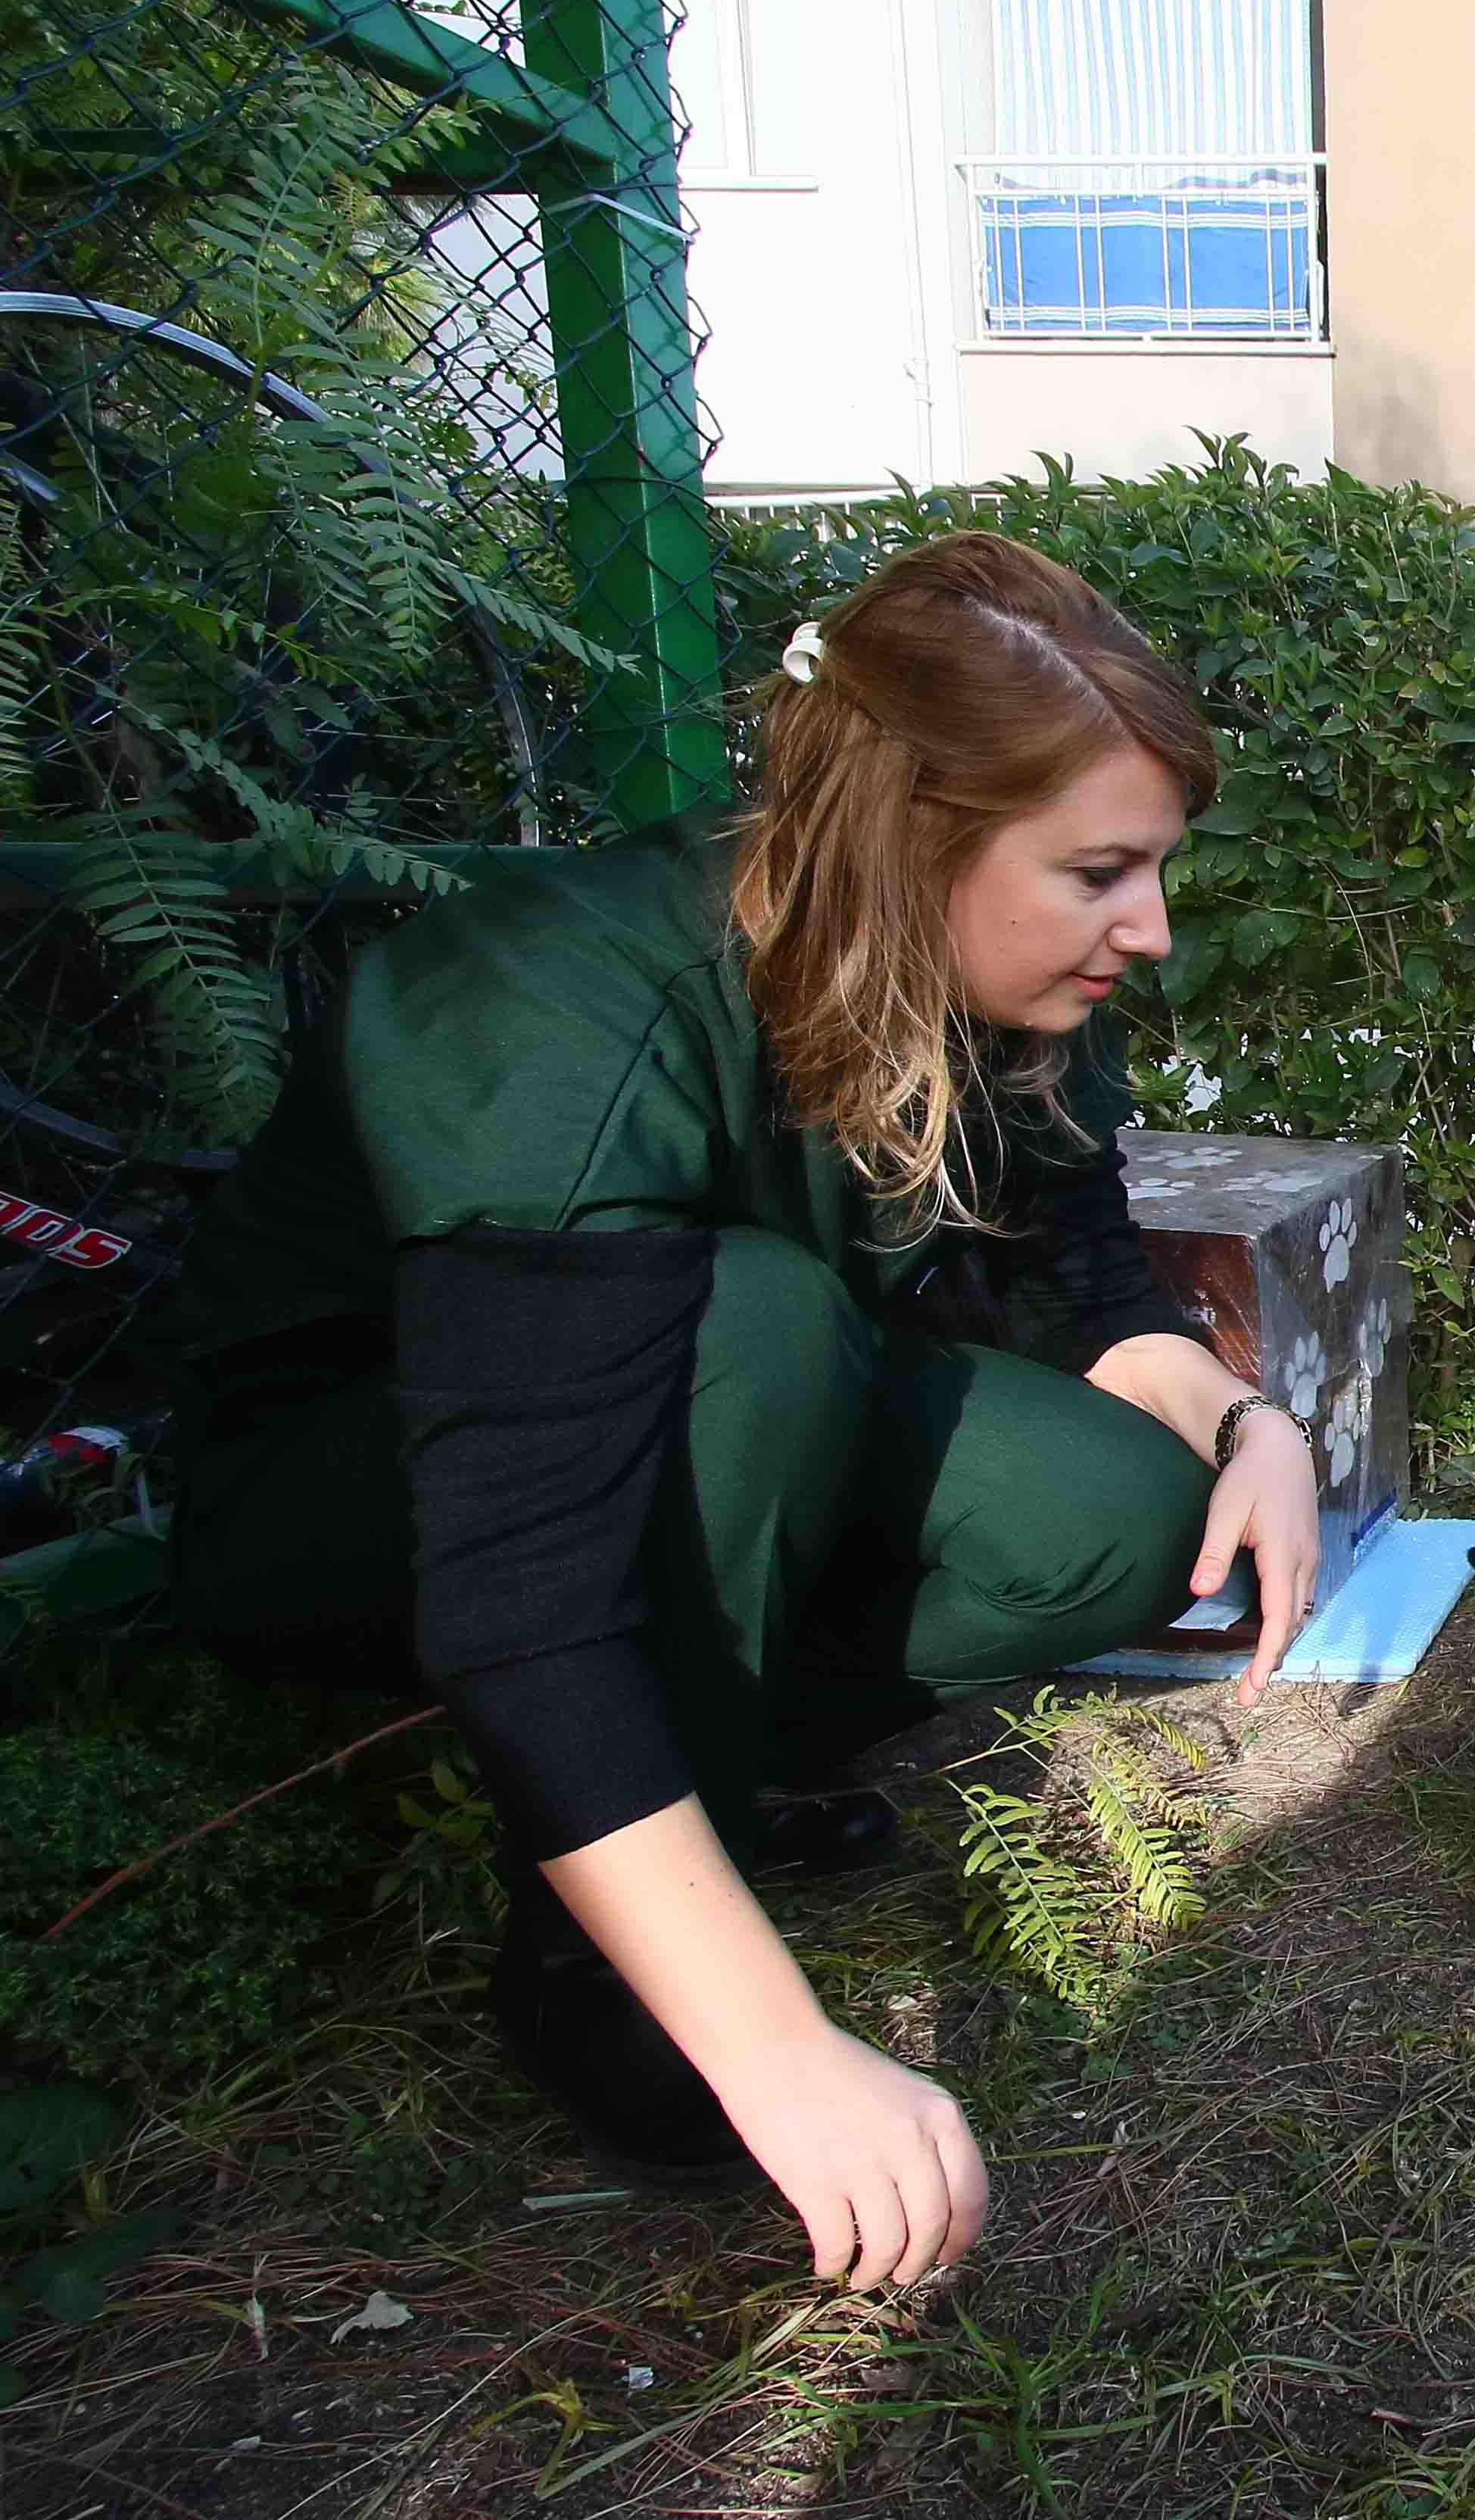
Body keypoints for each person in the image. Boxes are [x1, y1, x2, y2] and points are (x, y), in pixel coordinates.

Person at [162, 533, 1324, 2289]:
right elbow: (520, 1596)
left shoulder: (1008, 990)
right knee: (759, 1319)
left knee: (1108, 1512)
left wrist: (1254, 1431)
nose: (1149, 929)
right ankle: (601, 1973)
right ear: (916, 837)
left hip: (703, 1422)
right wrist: (777, 2048)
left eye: (1151, 869)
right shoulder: (569, 1002)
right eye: (1101, 871)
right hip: (363, 1498)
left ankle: (702, 1778)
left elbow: (1112, 1303)